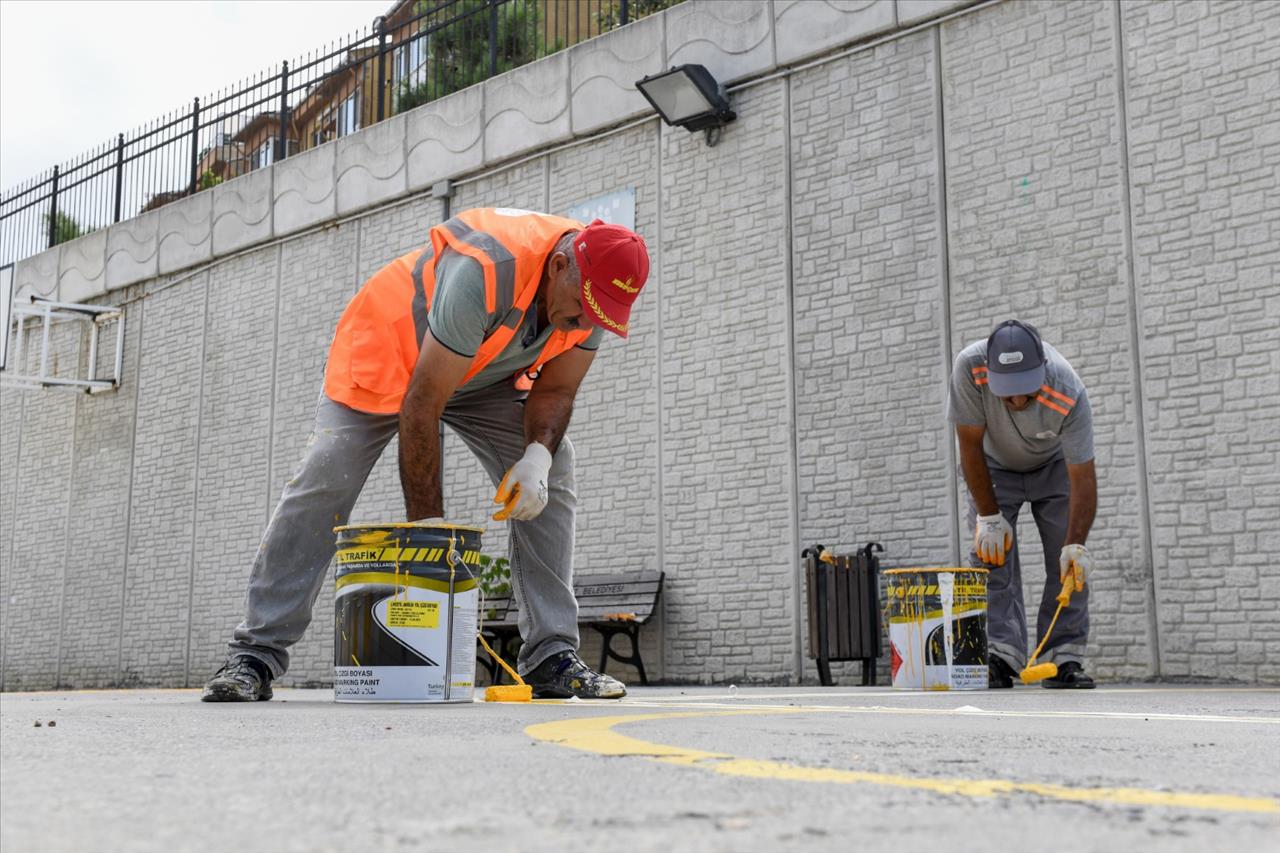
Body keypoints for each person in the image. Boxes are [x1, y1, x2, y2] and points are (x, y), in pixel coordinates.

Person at [201, 208, 650, 702]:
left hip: (479, 372)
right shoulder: (486, 269)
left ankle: (551, 656)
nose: (587, 321)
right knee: (327, 473)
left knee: (557, 466)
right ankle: (256, 653)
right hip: (389, 352)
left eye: (600, 314)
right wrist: (429, 550)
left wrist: (537, 459)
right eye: (584, 307)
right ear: (561, 265)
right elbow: (422, 406)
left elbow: (558, 392)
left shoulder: (595, 297)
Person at [947, 319, 1097, 689]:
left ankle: (1062, 658)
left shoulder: (1068, 390)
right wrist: (989, 517)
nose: (1016, 401)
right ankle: (1000, 654)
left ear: (1042, 370)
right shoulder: (969, 368)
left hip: (1054, 466)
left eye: (1025, 392)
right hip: (993, 465)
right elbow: (968, 447)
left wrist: (1076, 544)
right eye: (1007, 392)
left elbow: (1083, 477)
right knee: (991, 556)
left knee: (1067, 566)